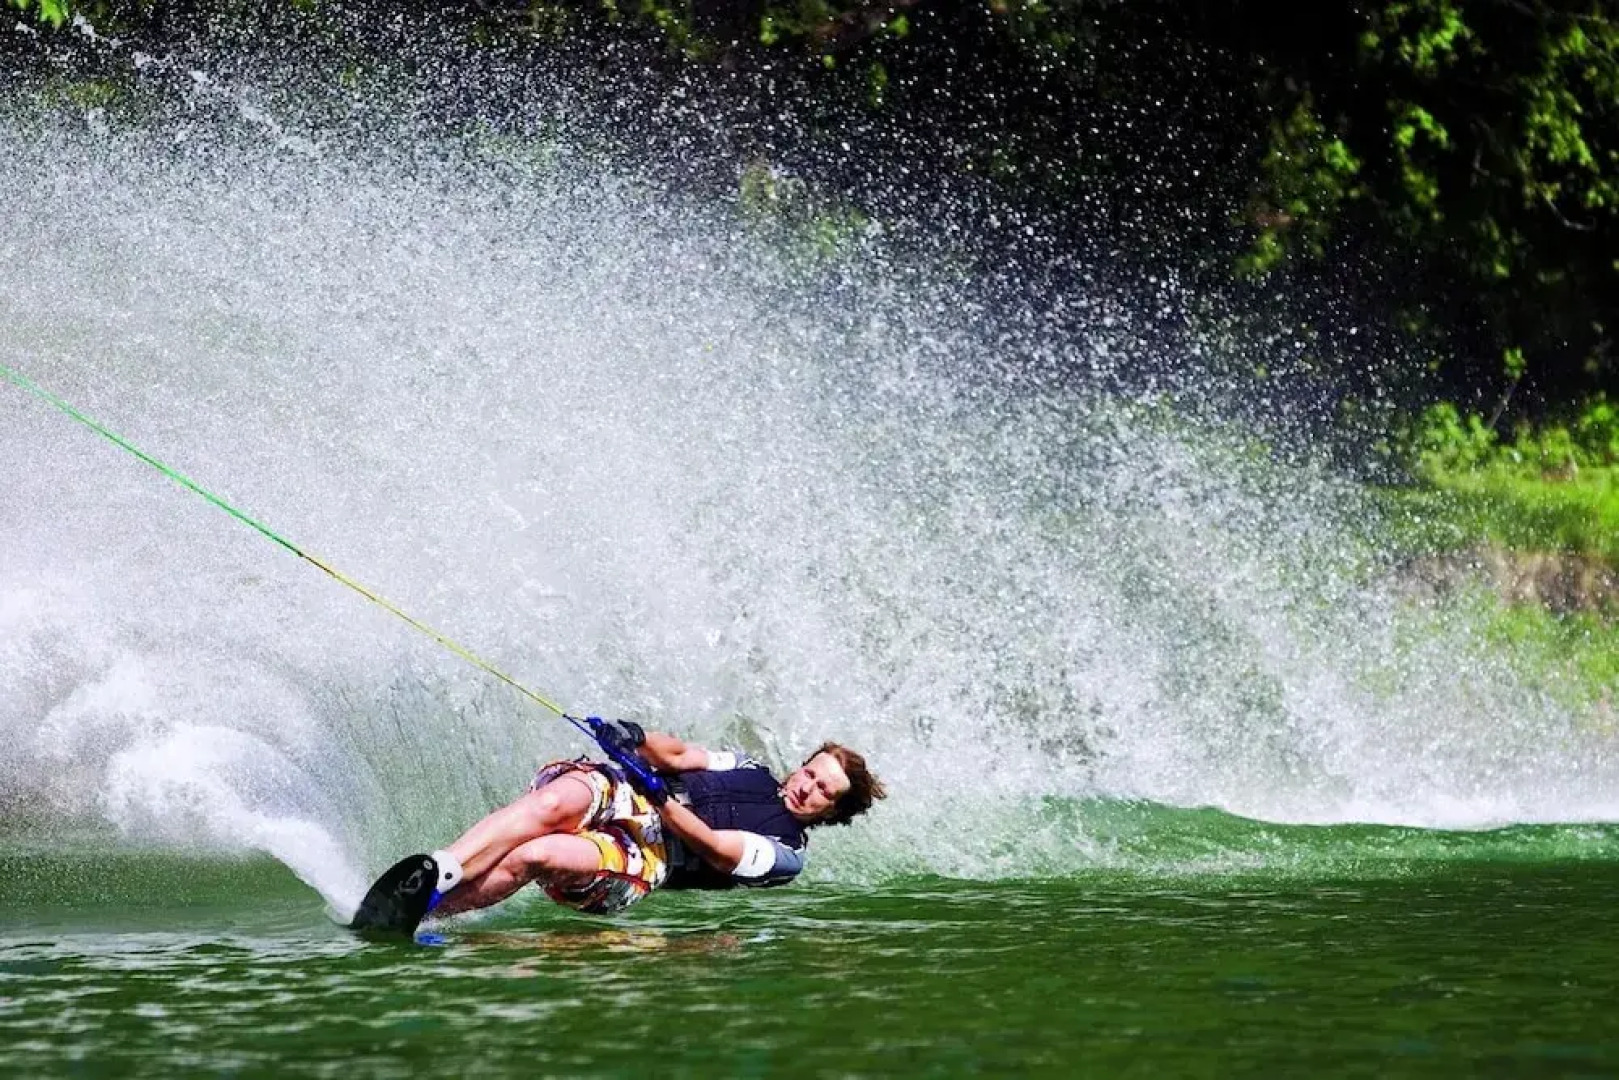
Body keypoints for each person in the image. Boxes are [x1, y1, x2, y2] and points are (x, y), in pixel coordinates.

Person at [419, 722, 885, 920]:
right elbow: (677, 753)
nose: (808, 786)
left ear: (832, 811)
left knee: (536, 854)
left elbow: (714, 847)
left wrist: (661, 799)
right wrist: (637, 737)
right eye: (810, 773)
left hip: (647, 858)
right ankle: (441, 870)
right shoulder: (747, 766)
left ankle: (426, 914)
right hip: (636, 797)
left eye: (824, 790)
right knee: (553, 805)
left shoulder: (788, 855)